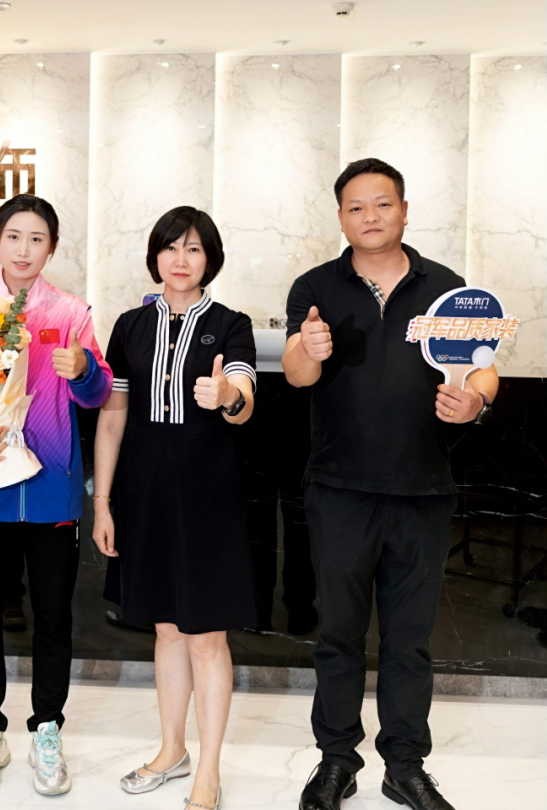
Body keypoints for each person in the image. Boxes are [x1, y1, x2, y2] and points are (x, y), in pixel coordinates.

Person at [283, 158, 499, 810]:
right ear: (340, 217)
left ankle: (404, 766)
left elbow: (483, 368)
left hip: (422, 489)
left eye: (382, 204)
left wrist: (476, 401)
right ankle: (336, 761)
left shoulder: (448, 289)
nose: (370, 216)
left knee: (409, 641)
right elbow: (296, 373)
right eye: (356, 207)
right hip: (339, 489)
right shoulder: (316, 287)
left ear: (405, 210)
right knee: (338, 636)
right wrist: (308, 349)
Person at [0, 194, 112, 796]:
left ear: (52, 247)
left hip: (52, 491)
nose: (24, 249)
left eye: (37, 239)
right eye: (14, 236)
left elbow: (96, 395)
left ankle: (47, 727)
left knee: (54, 617)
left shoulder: (73, 313)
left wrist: (84, 369)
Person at [92, 206, 257, 810]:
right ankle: (171, 750)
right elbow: (113, 418)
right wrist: (103, 502)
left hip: (207, 491)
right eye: (169, 248)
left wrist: (227, 395)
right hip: (143, 489)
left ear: (210, 258)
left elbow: (244, 401)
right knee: (165, 627)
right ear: (155, 256)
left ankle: (208, 768)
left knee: (205, 634)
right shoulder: (130, 325)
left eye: (192, 249)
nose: (180, 260)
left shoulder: (231, 324)